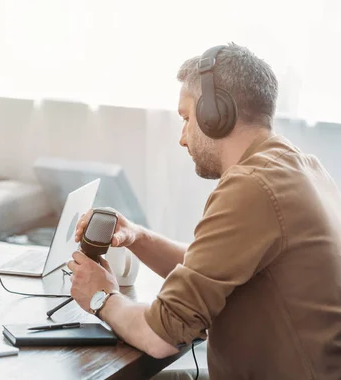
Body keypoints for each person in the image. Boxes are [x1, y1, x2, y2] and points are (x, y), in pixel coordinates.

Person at [68, 43, 341, 379]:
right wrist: (138, 237)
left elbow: (160, 337)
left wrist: (100, 297)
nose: (183, 138)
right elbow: (210, 265)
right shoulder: (297, 166)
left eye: (186, 118)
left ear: (215, 114)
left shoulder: (251, 186)